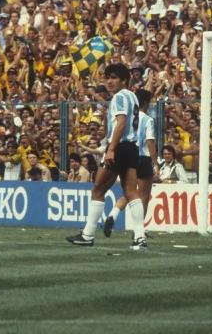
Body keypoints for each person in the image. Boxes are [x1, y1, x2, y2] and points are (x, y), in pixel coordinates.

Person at [66, 63, 147, 250]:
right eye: (107, 77)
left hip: (119, 147)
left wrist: (111, 149)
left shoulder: (119, 97)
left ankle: (87, 235)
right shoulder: (133, 97)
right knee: (131, 192)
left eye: (114, 78)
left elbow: (121, 122)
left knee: (98, 190)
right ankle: (140, 237)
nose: (109, 81)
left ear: (124, 80)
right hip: (131, 147)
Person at [103, 89, 158, 237]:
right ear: (146, 102)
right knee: (143, 196)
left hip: (130, 155)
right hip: (144, 158)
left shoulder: (130, 117)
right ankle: (138, 231)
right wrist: (155, 162)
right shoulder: (147, 119)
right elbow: (150, 142)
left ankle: (113, 214)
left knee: (130, 193)